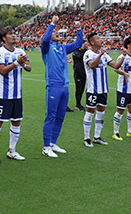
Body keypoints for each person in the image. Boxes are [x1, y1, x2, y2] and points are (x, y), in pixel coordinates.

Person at [40, 15, 83, 157]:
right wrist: (52, 24)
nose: (56, 32)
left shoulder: (63, 48)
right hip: (53, 85)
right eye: (54, 32)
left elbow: (78, 44)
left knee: (60, 116)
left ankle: (53, 143)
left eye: (57, 31)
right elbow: (45, 39)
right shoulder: (46, 48)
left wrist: (78, 29)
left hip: (64, 87)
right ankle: (46, 147)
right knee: (50, 116)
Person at [0, 26, 31, 165]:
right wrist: (16, 62)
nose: (14, 36)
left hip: (17, 95)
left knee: (16, 122)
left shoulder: (20, 51)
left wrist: (24, 63)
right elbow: (2, 71)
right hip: (3, 95)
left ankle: (12, 150)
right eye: (10, 34)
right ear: (3, 38)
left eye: (14, 33)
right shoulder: (0, 53)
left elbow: (29, 68)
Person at [82, 31, 124, 147]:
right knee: (90, 112)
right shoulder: (88, 54)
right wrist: (100, 55)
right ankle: (86, 138)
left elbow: (115, 66)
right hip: (92, 89)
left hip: (103, 89)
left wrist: (124, 56)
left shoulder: (104, 54)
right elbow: (92, 65)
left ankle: (97, 136)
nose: (100, 39)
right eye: (97, 38)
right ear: (92, 42)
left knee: (101, 113)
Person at [71, 42, 88, 111]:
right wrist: (84, 49)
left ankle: (79, 103)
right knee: (78, 89)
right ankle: (78, 104)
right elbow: (80, 56)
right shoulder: (75, 52)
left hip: (84, 73)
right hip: (78, 74)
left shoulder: (85, 52)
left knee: (82, 89)